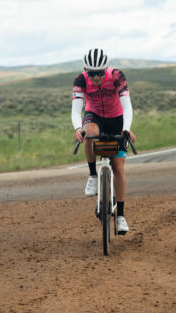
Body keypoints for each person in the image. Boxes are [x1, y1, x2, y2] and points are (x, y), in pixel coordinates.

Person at [71, 48, 137, 234]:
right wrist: (77, 128)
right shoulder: (81, 80)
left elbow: (127, 106)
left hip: (116, 118)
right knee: (88, 133)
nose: (97, 78)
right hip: (95, 115)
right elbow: (76, 110)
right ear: (86, 70)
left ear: (105, 69)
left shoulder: (116, 76)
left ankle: (121, 216)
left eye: (100, 73)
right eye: (92, 73)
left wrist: (126, 128)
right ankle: (92, 175)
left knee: (118, 167)